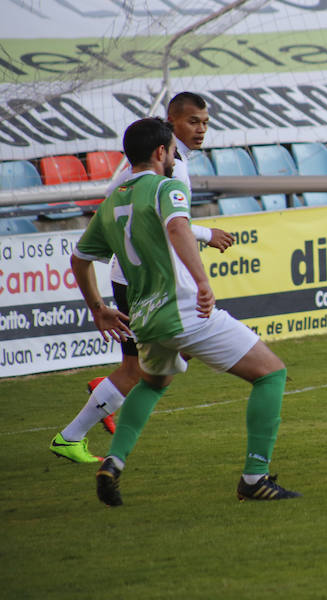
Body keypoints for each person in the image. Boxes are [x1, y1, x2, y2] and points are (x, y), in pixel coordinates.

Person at [71, 117, 298, 504]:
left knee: (153, 383)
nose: (175, 157)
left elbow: (79, 258)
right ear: (161, 152)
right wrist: (204, 281)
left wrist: (98, 309)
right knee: (272, 374)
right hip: (183, 310)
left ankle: (114, 460)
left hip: (143, 317)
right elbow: (179, 227)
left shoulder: (111, 203)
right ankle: (254, 477)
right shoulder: (167, 186)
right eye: (173, 151)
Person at [50, 92, 234, 464]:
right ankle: (74, 433)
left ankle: (102, 398)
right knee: (144, 366)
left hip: (133, 276)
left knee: (165, 356)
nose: (201, 129)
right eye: (193, 121)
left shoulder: (146, 165)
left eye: (205, 122)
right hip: (140, 278)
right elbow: (173, 224)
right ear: (172, 121)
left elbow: (120, 203)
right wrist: (206, 234)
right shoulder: (170, 165)